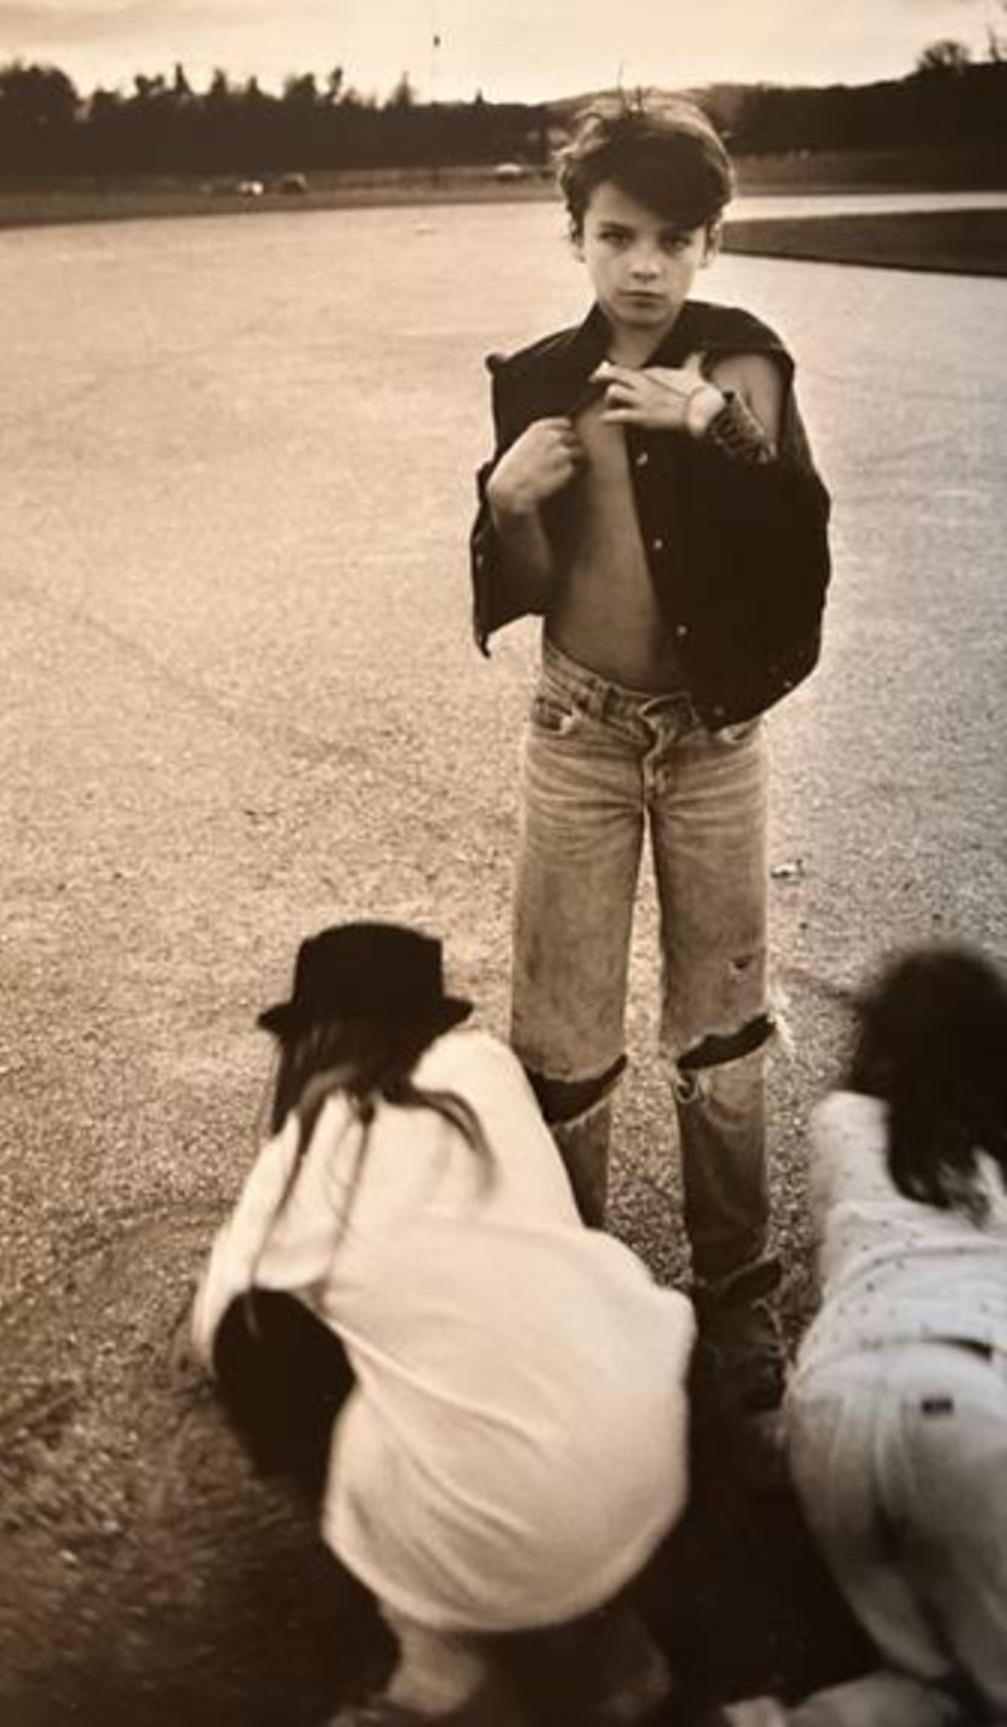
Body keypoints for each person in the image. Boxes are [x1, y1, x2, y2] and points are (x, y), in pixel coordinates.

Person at [468, 90, 832, 1443]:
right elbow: (530, 584)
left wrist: (712, 433)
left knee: (720, 1023)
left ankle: (735, 1292)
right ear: (575, 233)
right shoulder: (536, 384)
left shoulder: (742, 365)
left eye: (675, 240)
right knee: (561, 1034)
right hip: (579, 732)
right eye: (619, 234)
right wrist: (502, 503)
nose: (644, 267)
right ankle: (574, 1294)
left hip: (712, 741)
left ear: (709, 248)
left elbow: (796, 534)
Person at [192, 921, 695, 1727]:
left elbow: (221, 1312)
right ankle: (608, 1645)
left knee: (260, 1339)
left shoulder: (323, 1131)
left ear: (312, 1040)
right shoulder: (487, 1069)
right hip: (646, 1460)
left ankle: (440, 1664)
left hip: (486, 1537)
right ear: (430, 1021)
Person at [720, 944, 1007, 1727]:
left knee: (921, 1671)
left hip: (828, 1409)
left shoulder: (839, 1126)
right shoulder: (995, 1161)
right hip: (969, 1408)